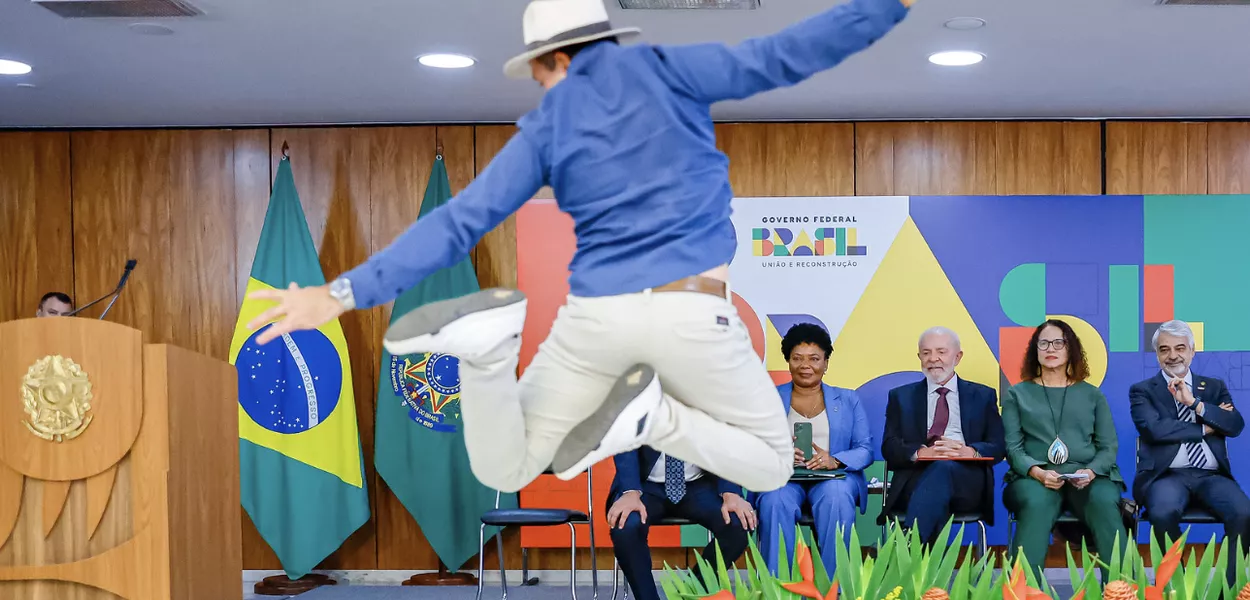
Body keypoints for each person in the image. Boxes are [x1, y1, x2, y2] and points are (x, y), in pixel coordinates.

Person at [243, 0, 918, 494]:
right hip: (693, 311)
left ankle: (485, 352)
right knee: (772, 464)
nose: (540, 87)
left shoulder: (547, 126)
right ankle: (652, 415)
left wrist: (339, 294)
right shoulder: (672, 70)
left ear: (556, 60)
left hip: (595, 317)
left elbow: (459, 221)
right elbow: (786, 53)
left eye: (538, 73)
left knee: (504, 468)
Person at [1002, 319, 1127, 575]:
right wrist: (1038, 473)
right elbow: (1013, 449)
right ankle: (1024, 592)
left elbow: (1108, 447)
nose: (1051, 348)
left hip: (1087, 476)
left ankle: (1122, 589)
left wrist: (1091, 472)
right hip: (1033, 478)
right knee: (1037, 503)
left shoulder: (1092, 395)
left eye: (1059, 342)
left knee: (1104, 501)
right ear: (1035, 350)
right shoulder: (1017, 394)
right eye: (1044, 343)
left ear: (1070, 349)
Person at [1131, 320, 1249, 584]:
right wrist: (1206, 428)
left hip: (1211, 475)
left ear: (1192, 351)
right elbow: (1155, 431)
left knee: (1244, 513)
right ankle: (1179, 586)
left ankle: (1227, 589)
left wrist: (1194, 403)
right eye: (1164, 349)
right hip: (1166, 475)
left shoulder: (1214, 387)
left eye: (1180, 348)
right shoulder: (1142, 391)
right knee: (1161, 514)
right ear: (1157, 354)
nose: (1173, 356)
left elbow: (1234, 425)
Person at [753, 323, 871, 576]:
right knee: (774, 500)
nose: (806, 365)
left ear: (826, 363)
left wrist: (835, 459)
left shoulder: (849, 400)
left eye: (814, 359)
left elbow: (864, 449)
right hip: (784, 478)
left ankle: (834, 588)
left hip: (834, 478)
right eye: (797, 358)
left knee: (836, 497)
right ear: (788, 362)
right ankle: (778, 589)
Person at [880, 326, 1004, 543]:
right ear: (919, 357)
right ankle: (921, 560)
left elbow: (999, 445)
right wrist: (920, 453)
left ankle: (908, 548)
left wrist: (971, 452)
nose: (933, 359)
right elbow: (889, 446)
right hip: (915, 480)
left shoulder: (982, 396)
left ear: (958, 357)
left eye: (941, 352)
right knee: (937, 474)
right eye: (926, 353)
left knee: (944, 467)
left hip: (967, 483)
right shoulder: (901, 396)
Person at [606, 445, 754, 600]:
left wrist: (730, 492)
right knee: (626, 525)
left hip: (699, 484)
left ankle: (692, 590)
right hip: (644, 485)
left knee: (740, 522)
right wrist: (630, 491)